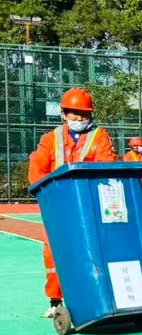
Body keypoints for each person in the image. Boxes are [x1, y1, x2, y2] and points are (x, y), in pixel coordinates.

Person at [28, 88, 116, 318]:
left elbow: (105, 165)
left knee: (92, 249)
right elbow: (37, 170)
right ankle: (55, 300)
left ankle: (94, 296)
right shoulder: (50, 139)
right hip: (58, 206)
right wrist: (46, 194)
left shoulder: (99, 137)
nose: (78, 118)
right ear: (64, 114)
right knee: (53, 252)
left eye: (83, 114)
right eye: (74, 113)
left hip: (89, 205)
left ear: (90, 115)